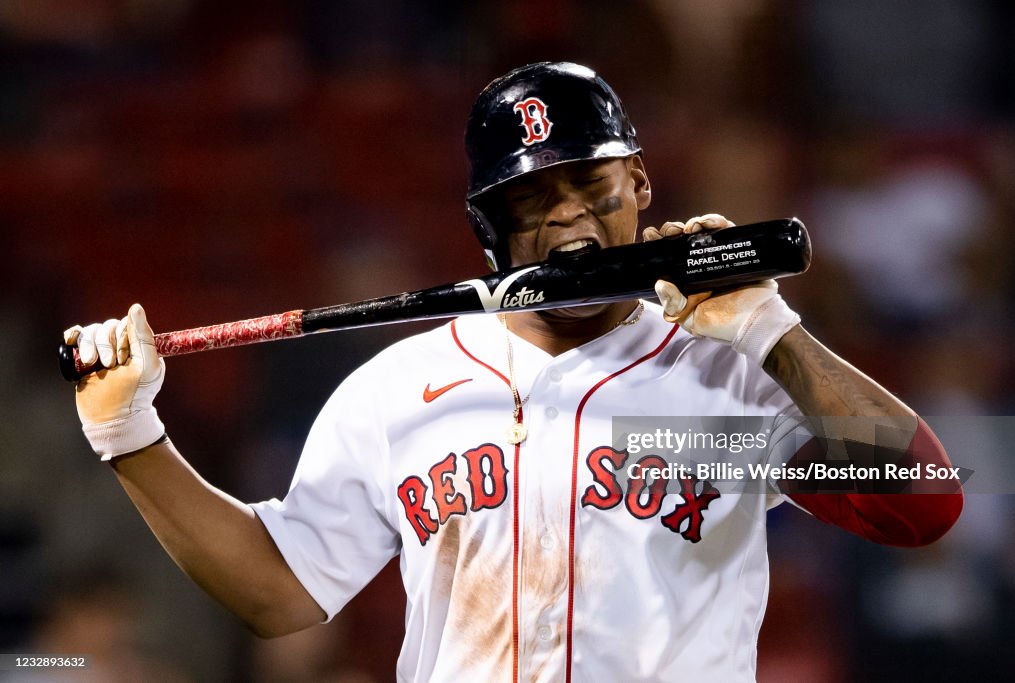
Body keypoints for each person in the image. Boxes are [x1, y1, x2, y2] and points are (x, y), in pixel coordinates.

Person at [64, 62, 963, 682]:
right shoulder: (394, 390)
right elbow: (281, 591)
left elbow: (925, 502)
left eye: (592, 186)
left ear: (642, 184)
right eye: (531, 200)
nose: (568, 219)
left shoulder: (729, 377)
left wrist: (768, 326)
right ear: (486, 226)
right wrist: (129, 435)